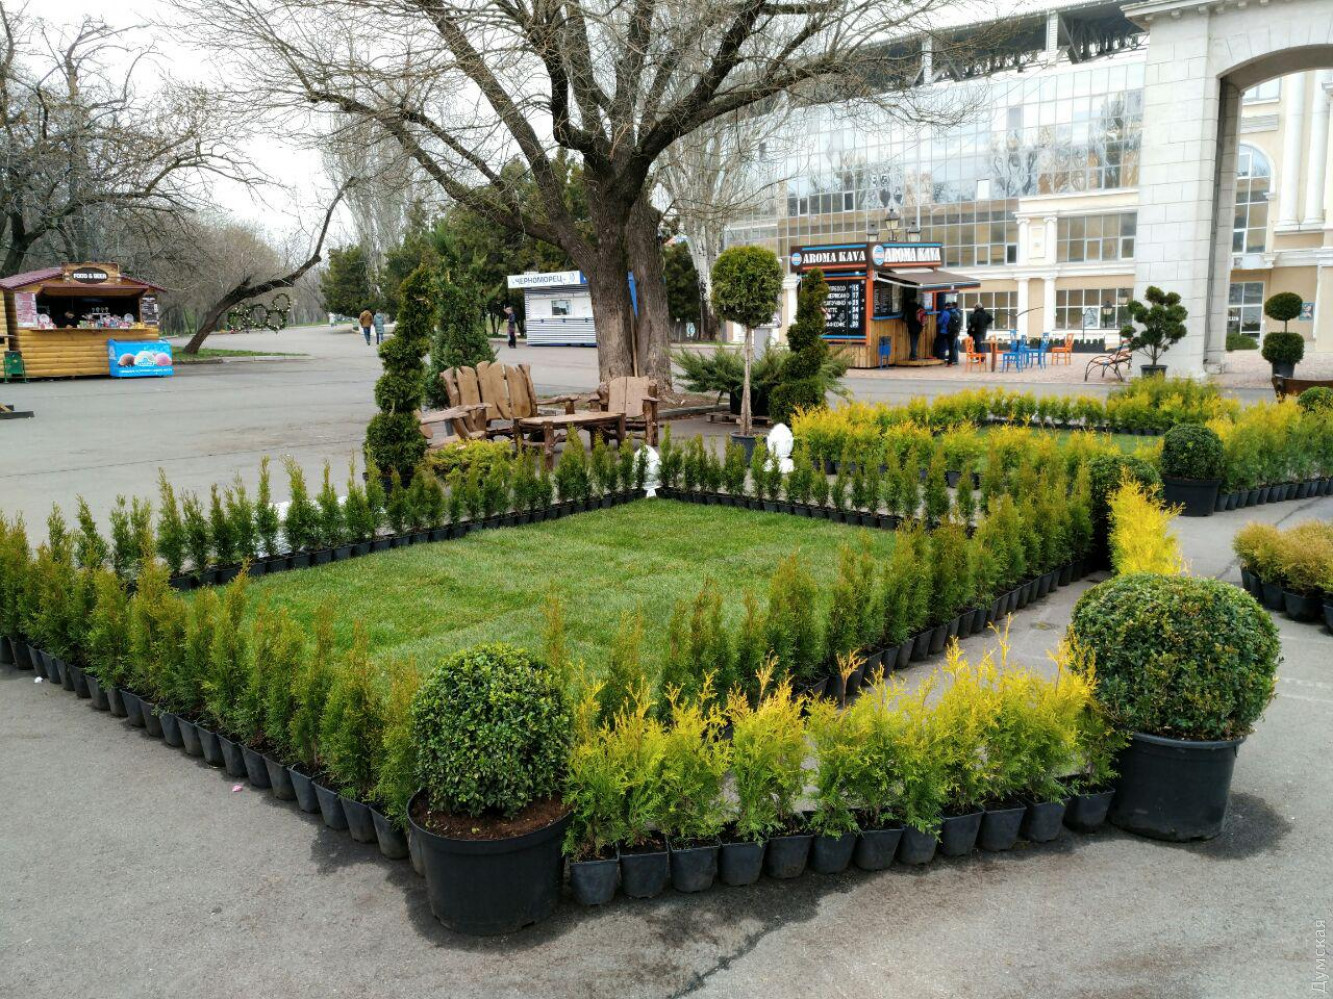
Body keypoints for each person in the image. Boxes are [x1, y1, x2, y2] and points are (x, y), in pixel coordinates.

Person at [947, 302, 964, 366]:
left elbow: (951, 323)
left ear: (953, 306)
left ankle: (954, 360)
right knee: (955, 346)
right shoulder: (959, 312)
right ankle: (955, 359)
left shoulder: (954, 313)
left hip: (953, 331)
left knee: (953, 346)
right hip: (957, 331)